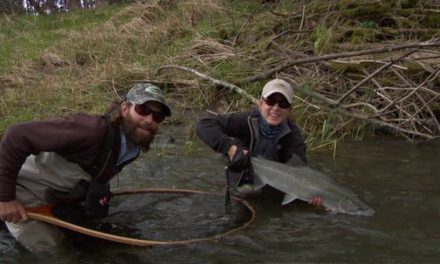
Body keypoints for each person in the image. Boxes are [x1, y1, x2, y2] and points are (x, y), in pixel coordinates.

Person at [0, 83, 171, 251]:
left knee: (89, 243)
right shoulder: (90, 130)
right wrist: (6, 198)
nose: (149, 120)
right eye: (142, 110)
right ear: (125, 109)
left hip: (53, 199)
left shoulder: (132, 147)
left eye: (158, 116)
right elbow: (17, 135)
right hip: (18, 195)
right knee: (58, 254)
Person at [196, 79, 323, 207]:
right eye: (271, 101)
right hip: (242, 178)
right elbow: (204, 125)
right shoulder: (245, 120)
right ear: (261, 104)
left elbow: (299, 170)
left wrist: (312, 194)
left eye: (283, 104)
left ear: (289, 110)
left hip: (274, 187)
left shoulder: (294, 138)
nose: (276, 108)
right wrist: (230, 149)